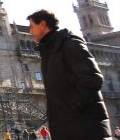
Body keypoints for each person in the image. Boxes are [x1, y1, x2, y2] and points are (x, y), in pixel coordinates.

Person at [28, 9, 112, 139]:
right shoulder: (49, 50)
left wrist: (73, 108)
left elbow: (92, 78)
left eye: (32, 26)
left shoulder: (68, 43)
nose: (30, 31)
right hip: (71, 128)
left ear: (43, 24)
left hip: (84, 128)